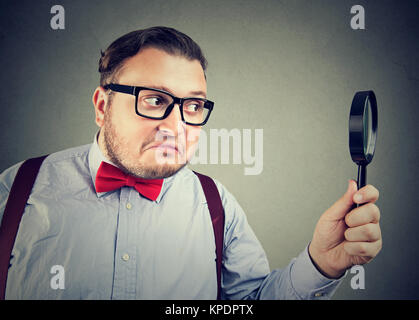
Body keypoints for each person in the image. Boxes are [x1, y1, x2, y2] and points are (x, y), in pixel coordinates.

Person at [0, 26, 382, 300]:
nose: (177, 125)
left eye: (193, 105)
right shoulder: (15, 191)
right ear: (102, 106)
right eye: (153, 99)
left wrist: (320, 264)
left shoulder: (217, 205)